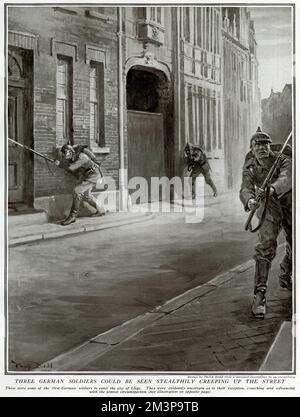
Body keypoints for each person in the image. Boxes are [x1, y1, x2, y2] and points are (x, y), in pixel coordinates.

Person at [240, 127, 292, 319]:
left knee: (295, 243)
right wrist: (250, 200)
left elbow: (288, 177)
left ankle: (286, 274)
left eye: (265, 144)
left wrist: (272, 188)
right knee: (265, 248)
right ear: (251, 149)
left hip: (289, 202)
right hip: (268, 207)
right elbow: (245, 188)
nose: (262, 148)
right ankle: (259, 294)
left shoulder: (282, 159)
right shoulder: (250, 166)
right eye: (257, 145)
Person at [55, 144, 105, 226]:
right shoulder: (73, 155)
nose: (64, 156)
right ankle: (101, 210)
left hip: (93, 176)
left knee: (77, 191)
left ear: (70, 152)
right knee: (87, 196)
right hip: (87, 175)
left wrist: (60, 165)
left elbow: (71, 168)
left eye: (65, 154)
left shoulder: (82, 157)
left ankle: (72, 217)